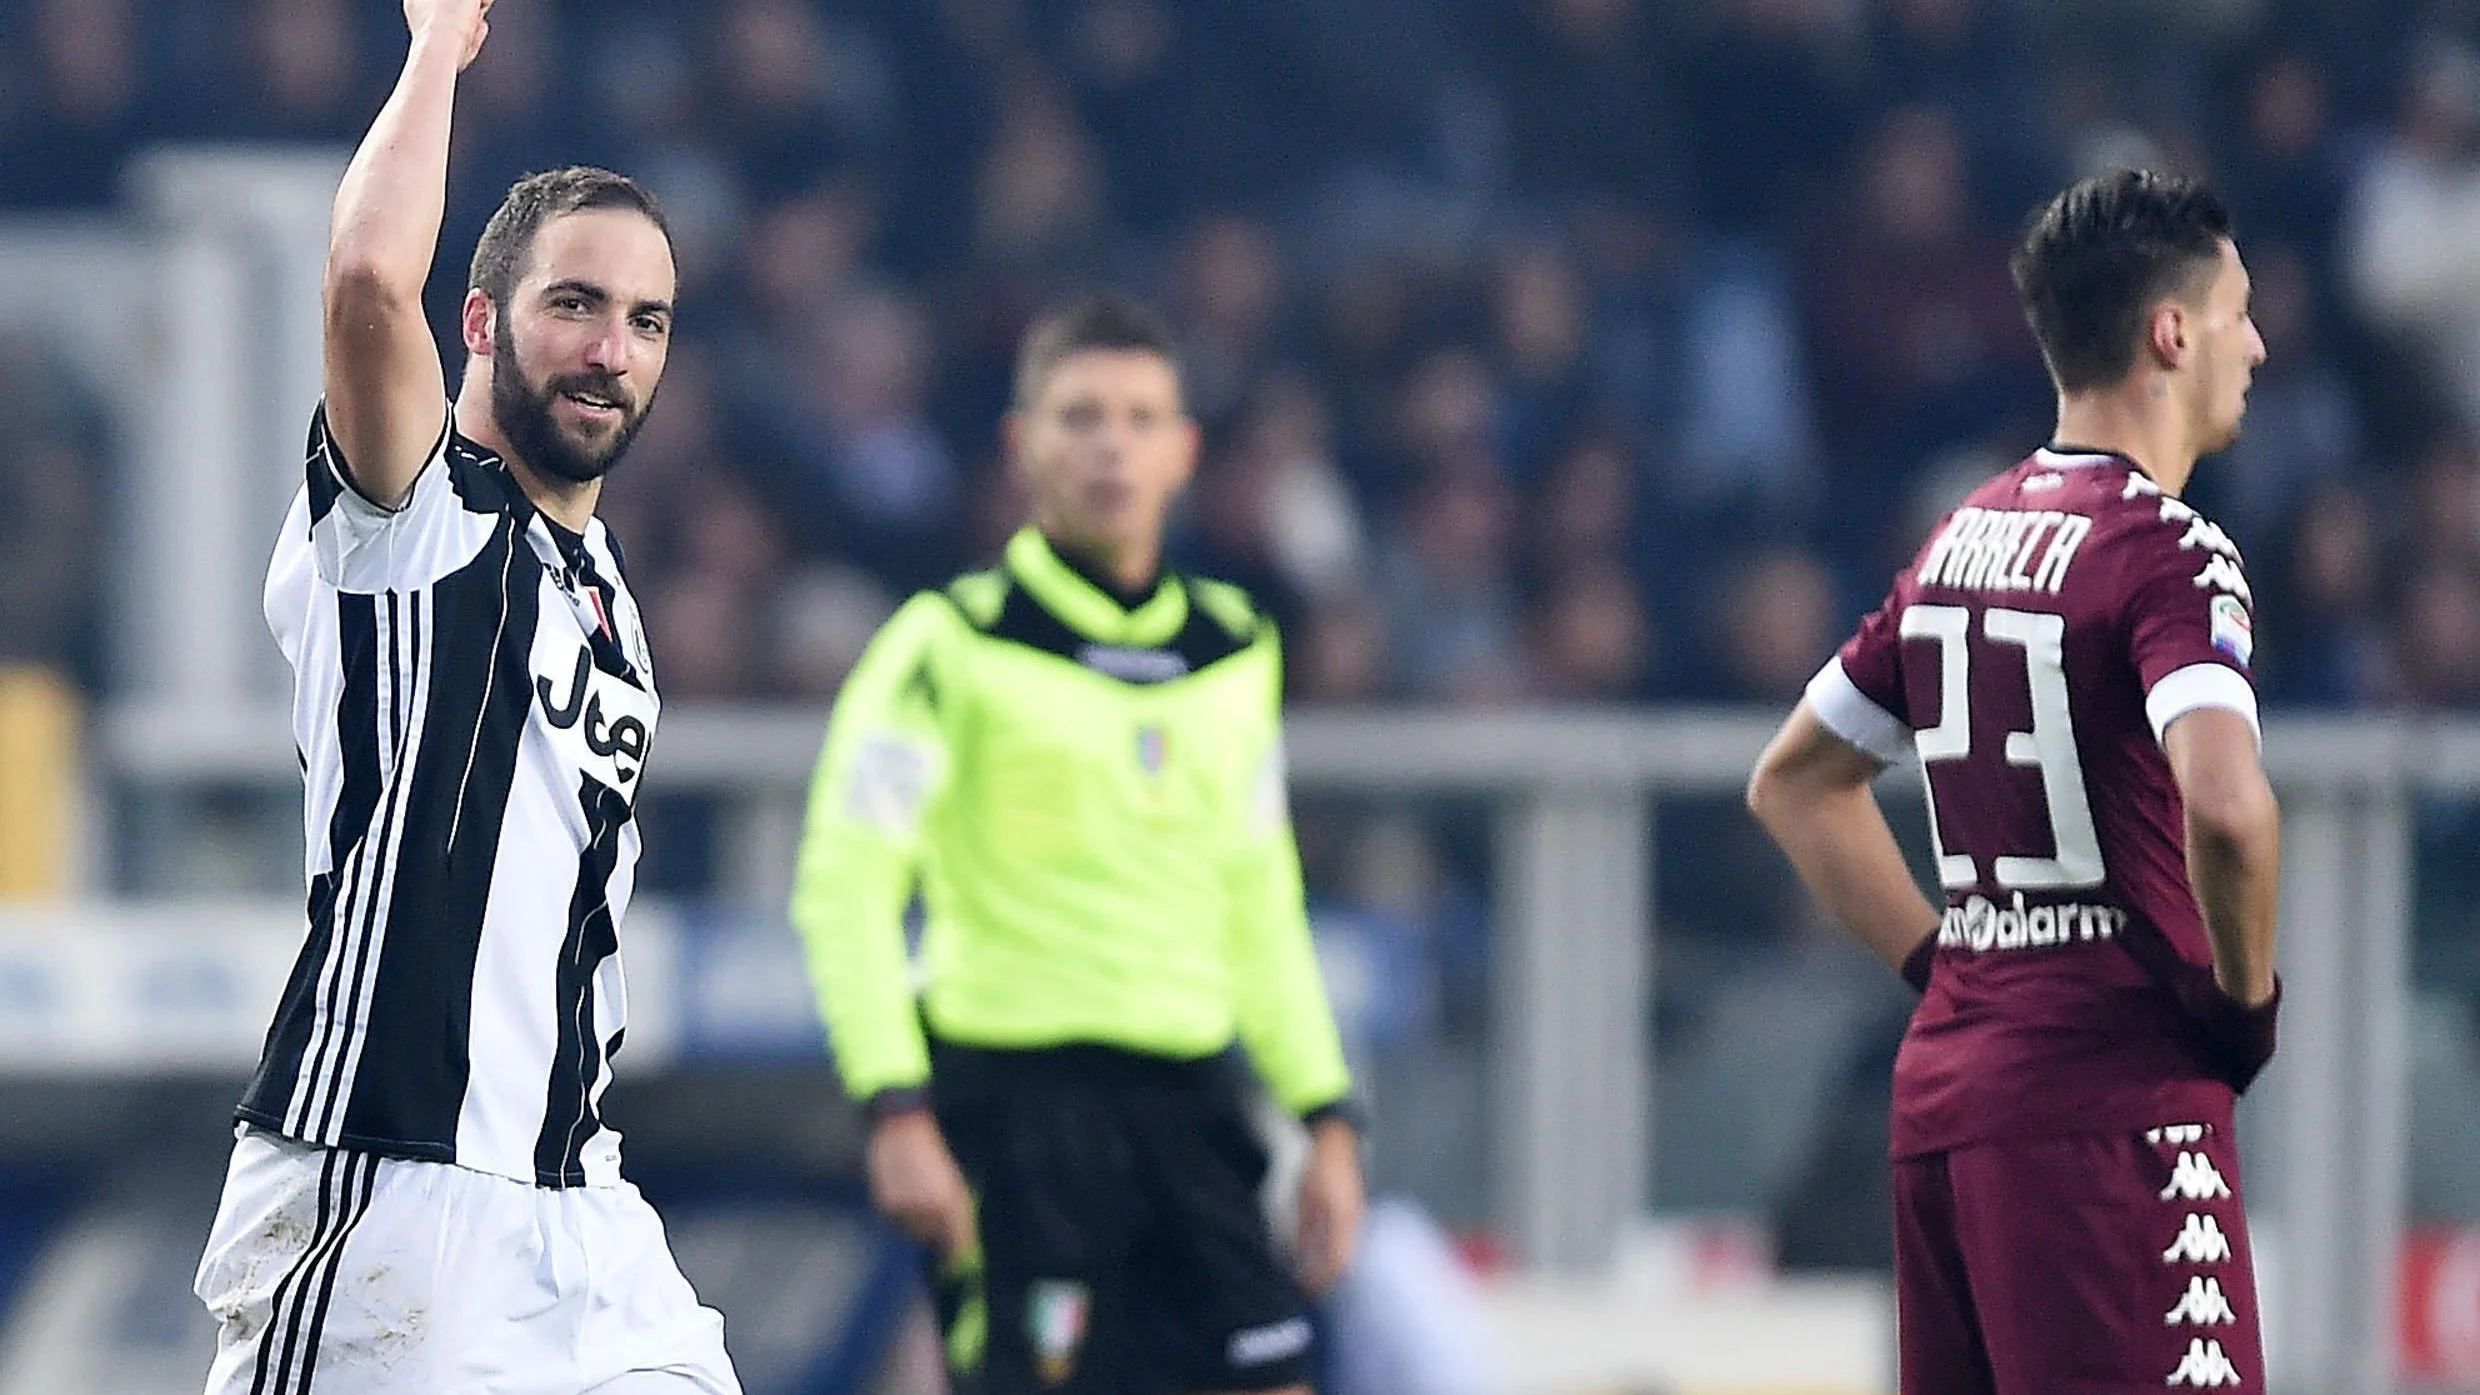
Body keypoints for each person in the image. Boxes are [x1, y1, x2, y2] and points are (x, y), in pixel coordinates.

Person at [188, 3, 740, 1391]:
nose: (613, 349)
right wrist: (437, 48)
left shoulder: (604, 582)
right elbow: (369, 279)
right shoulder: (414, 516)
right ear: (484, 319)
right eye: (576, 304)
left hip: (580, 1206)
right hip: (385, 1187)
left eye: (646, 319)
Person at [1746, 168, 2282, 1394]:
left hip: (1949, 1105)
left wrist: (1946, 971)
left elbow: (1793, 784)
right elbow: (2227, 806)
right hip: (2108, 1112)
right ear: (2171, 333)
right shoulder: (2168, 552)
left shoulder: (1961, 535)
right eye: (2237, 310)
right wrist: (2239, 1001)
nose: (2254, 344)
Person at [790, 293, 1366, 1395]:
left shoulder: (1233, 650)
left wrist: (1326, 1117)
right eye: (1080, 416)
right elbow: (847, 882)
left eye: (1141, 418)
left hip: (1192, 1108)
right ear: (1022, 445)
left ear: (1184, 451)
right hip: (1011, 1115)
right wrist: (892, 1105)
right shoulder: (946, 644)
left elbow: (1258, 897)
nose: (1112, 445)